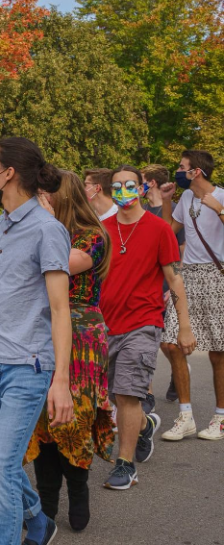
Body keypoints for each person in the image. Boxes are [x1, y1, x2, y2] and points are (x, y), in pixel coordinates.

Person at [0, 137, 73, 545]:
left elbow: (60, 309)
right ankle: (39, 519)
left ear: (8, 172)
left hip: (26, 368)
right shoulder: (0, 224)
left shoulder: (48, 229)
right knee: (2, 465)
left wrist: (60, 380)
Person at [26, 171, 115, 532]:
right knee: (41, 418)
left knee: (73, 415)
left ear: (63, 195)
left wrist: (42, 222)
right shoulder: (42, 229)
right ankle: (46, 502)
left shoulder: (92, 236)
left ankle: (78, 490)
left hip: (81, 332)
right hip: (39, 328)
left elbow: (63, 262)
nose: (40, 198)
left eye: (46, 193)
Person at [98, 165, 196, 490]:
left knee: (127, 393)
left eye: (129, 185)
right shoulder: (103, 229)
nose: (123, 191)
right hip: (107, 324)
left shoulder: (159, 229)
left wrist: (184, 326)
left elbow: (174, 278)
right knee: (117, 395)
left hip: (144, 323)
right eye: (117, 186)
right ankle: (143, 426)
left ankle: (125, 465)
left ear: (141, 187)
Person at [158, 150, 224, 442]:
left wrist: (219, 209)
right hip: (187, 275)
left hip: (216, 275)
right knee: (170, 342)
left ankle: (220, 418)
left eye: (182, 167)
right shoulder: (185, 199)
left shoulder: (221, 195)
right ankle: (185, 416)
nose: (178, 171)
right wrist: (166, 201)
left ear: (196, 171)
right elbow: (167, 233)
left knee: (218, 352)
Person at [141, 163, 186, 404]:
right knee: (149, 341)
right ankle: (145, 393)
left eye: (141, 179)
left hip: (169, 287)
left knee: (169, 345)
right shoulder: (140, 211)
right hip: (148, 288)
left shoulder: (175, 211)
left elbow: (180, 253)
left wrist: (172, 288)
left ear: (152, 183)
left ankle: (178, 372)